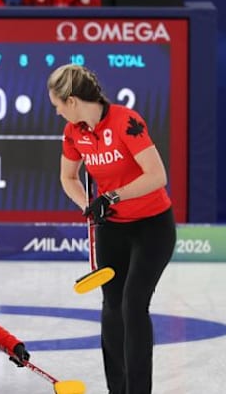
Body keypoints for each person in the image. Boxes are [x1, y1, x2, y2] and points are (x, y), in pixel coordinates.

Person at [47, 64, 176, 394]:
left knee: (133, 305)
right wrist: (88, 206)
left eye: (58, 105)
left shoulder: (125, 121)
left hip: (152, 227)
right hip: (111, 228)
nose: (57, 112)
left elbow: (157, 176)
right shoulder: (73, 132)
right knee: (112, 308)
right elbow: (68, 177)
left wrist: (112, 196)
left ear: (72, 100)